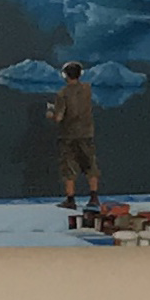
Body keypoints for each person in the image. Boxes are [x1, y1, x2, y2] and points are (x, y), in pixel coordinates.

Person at [50, 60, 100, 214]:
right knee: (90, 165)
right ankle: (94, 197)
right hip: (86, 132)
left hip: (69, 135)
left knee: (69, 167)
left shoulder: (62, 94)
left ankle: (70, 200)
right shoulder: (87, 89)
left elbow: (59, 117)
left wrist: (51, 113)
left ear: (65, 75)